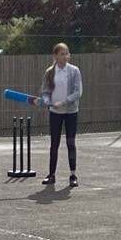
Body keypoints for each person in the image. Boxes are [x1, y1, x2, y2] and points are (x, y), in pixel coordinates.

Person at [40, 43, 83, 187]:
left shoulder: (74, 71)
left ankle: (73, 175)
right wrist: (47, 100)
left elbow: (77, 92)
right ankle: (51, 175)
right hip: (55, 113)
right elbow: (46, 91)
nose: (65, 57)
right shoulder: (50, 72)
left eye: (66, 54)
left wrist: (63, 102)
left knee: (70, 142)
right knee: (54, 143)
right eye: (62, 54)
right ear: (55, 56)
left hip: (71, 112)